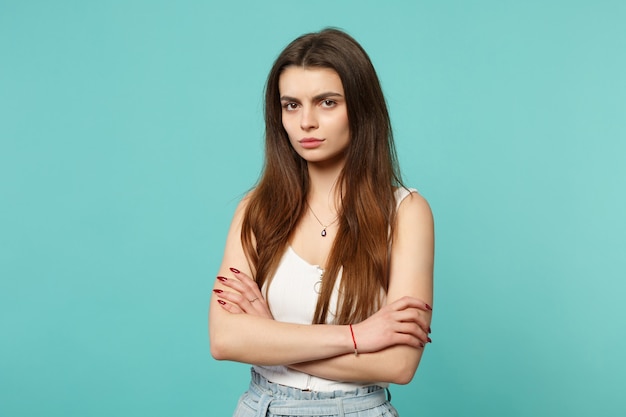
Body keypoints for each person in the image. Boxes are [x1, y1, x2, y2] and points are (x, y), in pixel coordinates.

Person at [209, 28, 434, 417]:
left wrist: (273, 339)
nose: (306, 122)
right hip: (261, 407)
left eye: (327, 102)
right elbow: (225, 339)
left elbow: (398, 365)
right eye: (291, 105)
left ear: (361, 108)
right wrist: (356, 336)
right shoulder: (256, 209)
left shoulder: (406, 212)